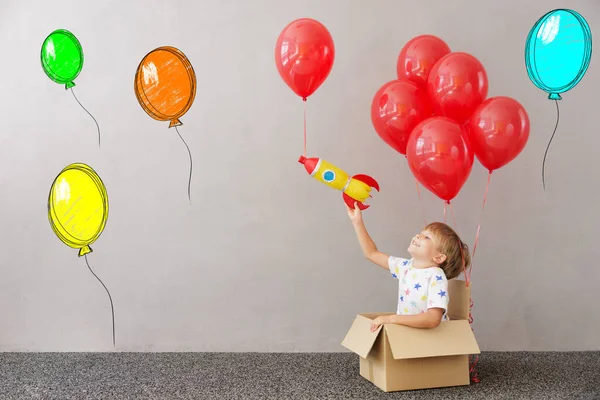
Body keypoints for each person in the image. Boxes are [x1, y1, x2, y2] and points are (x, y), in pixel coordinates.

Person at [347, 202, 470, 332]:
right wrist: (357, 222)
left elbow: (433, 319)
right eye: (420, 233)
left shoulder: (436, 276)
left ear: (439, 257)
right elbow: (371, 253)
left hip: (432, 338)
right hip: (409, 333)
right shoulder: (406, 267)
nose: (418, 236)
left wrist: (391, 319)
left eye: (427, 237)